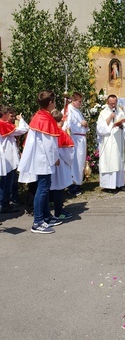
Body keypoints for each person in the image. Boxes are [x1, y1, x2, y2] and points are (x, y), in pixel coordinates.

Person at [18, 90, 62, 234]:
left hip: (41, 158)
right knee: (42, 190)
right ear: (50, 103)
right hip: (44, 159)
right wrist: (54, 158)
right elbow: (49, 144)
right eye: (54, 101)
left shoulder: (40, 115)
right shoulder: (45, 119)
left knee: (43, 188)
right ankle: (37, 222)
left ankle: (46, 217)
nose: (55, 103)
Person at [97, 94, 125, 191]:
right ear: (108, 102)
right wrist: (109, 118)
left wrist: (122, 126)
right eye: (111, 103)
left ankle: (119, 184)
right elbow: (99, 128)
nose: (113, 105)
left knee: (118, 161)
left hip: (118, 139)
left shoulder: (120, 111)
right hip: (108, 140)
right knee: (110, 162)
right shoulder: (103, 113)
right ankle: (109, 186)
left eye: (114, 103)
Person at [0, 104, 29, 213]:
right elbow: (23, 129)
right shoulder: (3, 124)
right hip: (6, 158)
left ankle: (4, 202)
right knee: (7, 181)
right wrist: (21, 119)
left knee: (5, 181)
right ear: (4, 114)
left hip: (7, 156)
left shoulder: (4, 124)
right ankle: (4, 204)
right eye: (8, 114)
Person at [63, 91, 88, 196]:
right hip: (74, 139)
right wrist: (80, 123)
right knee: (75, 163)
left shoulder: (77, 110)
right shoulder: (68, 110)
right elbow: (67, 125)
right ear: (73, 101)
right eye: (79, 101)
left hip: (81, 138)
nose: (80, 103)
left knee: (80, 162)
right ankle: (73, 186)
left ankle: (78, 183)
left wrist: (85, 125)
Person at [50, 110, 74, 220]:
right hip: (60, 164)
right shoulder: (61, 133)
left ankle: (53, 210)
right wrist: (70, 163)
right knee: (59, 188)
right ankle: (59, 212)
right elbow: (69, 152)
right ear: (62, 120)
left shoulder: (48, 131)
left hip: (50, 163)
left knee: (51, 188)